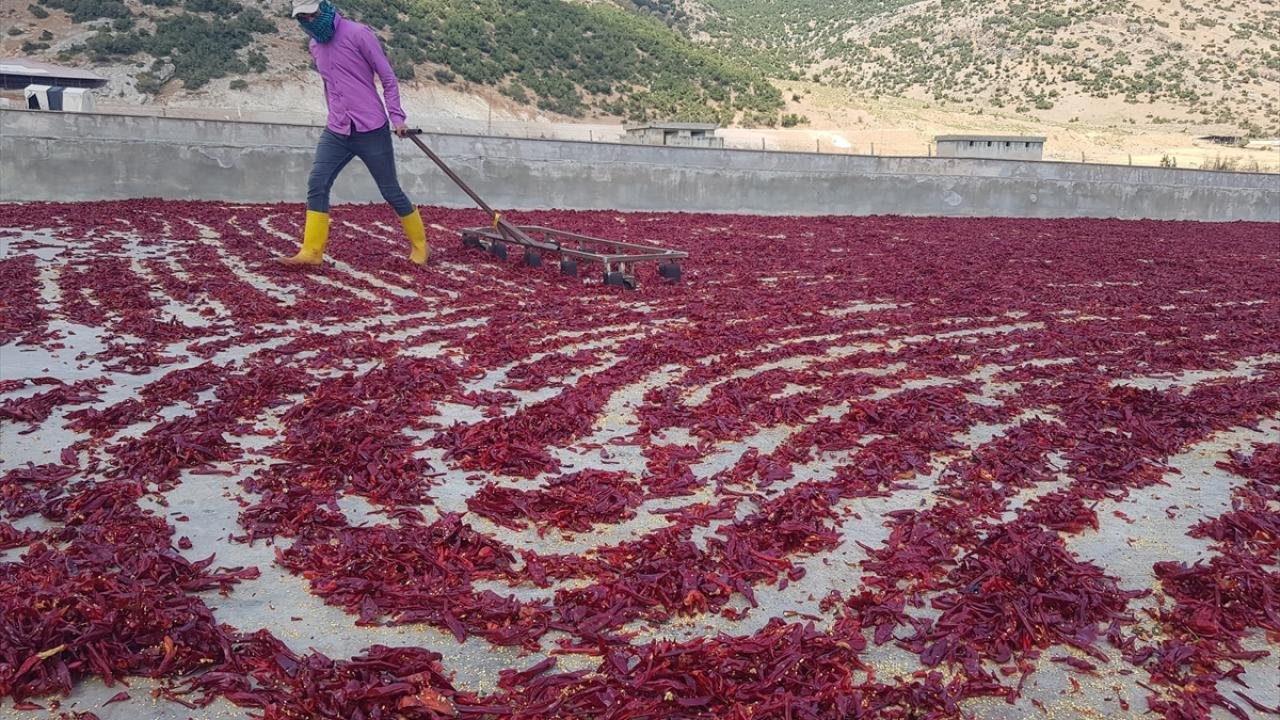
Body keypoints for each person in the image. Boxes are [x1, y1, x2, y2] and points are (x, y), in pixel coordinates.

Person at [280, 0, 428, 266]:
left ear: (323, 8)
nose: (310, 21)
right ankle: (312, 252)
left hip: (370, 127)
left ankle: (420, 246)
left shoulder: (359, 34)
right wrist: (334, 113)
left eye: (313, 14)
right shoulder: (314, 45)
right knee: (317, 183)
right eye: (303, 17)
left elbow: (388, 77)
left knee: (390, 191)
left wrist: (397, 117)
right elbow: (329, 86)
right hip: (337, 128)